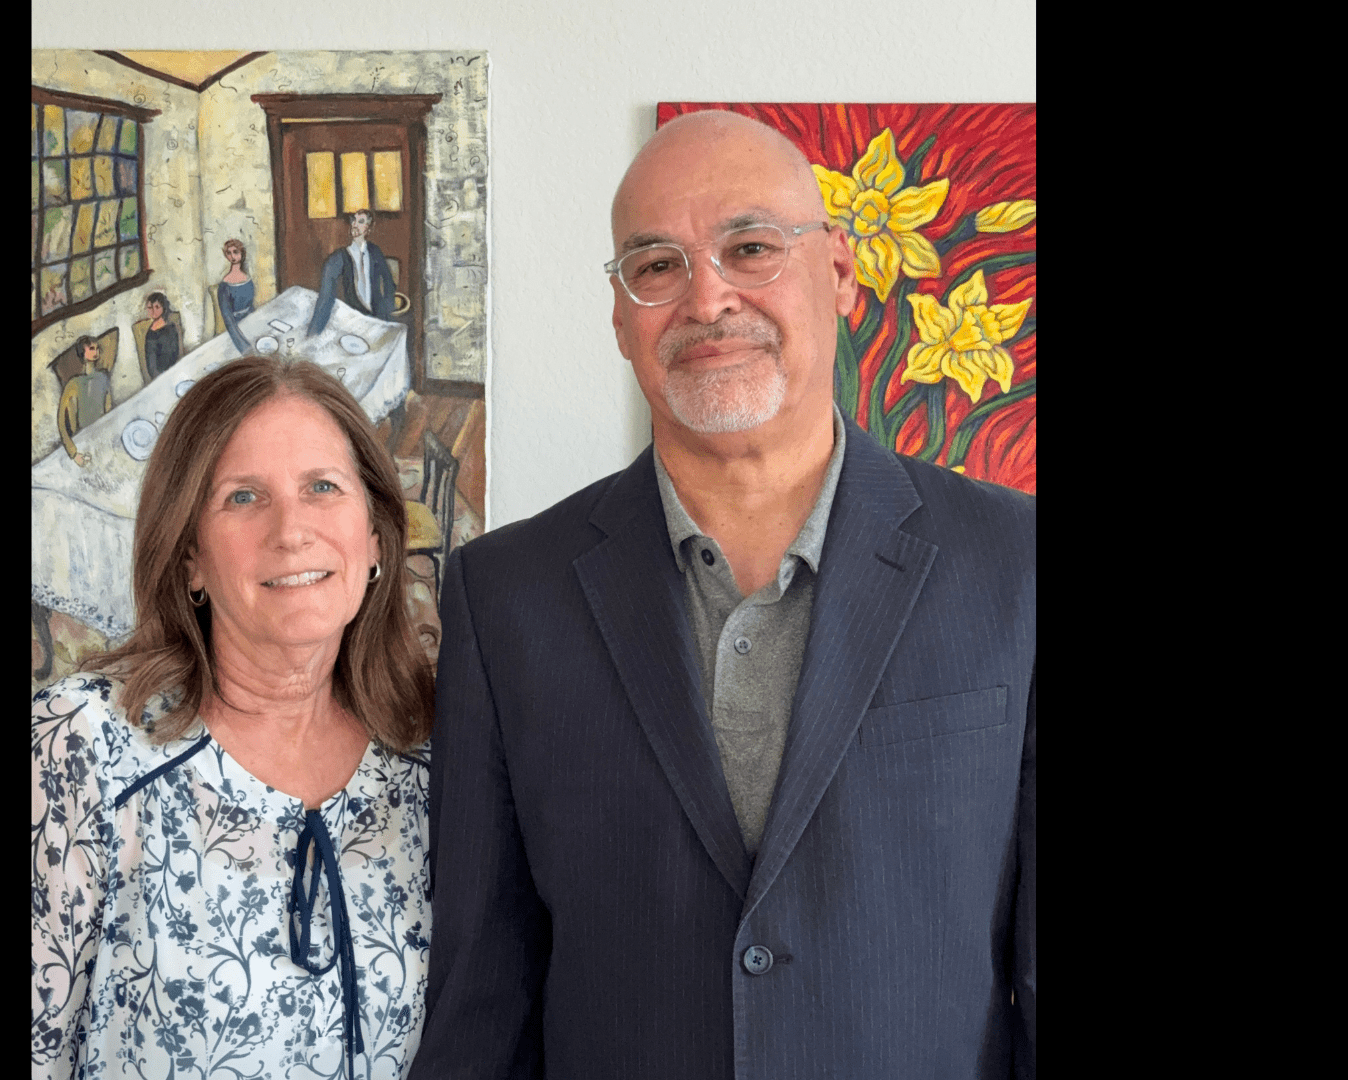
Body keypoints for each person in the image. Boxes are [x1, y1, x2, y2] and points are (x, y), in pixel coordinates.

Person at [412, 110, 1036, 1078]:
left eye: (750, 248)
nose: (707, 298)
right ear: (621, 318)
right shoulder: (506, 596)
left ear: (837, 276)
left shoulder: (1015, 563)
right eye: (656, 266)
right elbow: (485, 977)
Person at [32, 356, 437, 1080]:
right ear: (189, 557)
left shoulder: (439, 756)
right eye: (245, 497)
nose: (291, 531)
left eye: (322, 487)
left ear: (375, 535)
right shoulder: (80, 751)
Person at [307, 209, 396, 337]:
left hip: (377, 320)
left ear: (368, 229)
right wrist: (313, 333)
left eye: (360, 221)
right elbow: (326, 296)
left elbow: (388, 281)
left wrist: (387, 313)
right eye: (353, 220)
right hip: (355, 321)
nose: (354, 224)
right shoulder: (339, 257)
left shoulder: (375, 252)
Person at [56, 335, 111, 467]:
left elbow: (109, 410)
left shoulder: (103, 378)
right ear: (82, 352)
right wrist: (73, 453)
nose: (96, 352)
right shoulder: (73, 384)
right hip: (82, 442)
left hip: (103, 437)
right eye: (91, 348)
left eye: (97, 348)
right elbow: (61, 422)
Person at [218, 238, 259, 355]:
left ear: (242, 253)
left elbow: (251, 306)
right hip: (235, 329)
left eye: (235, 252)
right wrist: (245, 348)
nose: (232, 256)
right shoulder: (225, 285)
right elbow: (228, 320)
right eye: (228, 253)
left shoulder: (247, 278)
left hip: (250, 322)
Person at [143, 291, 181, 381]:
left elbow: (177, 353)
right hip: (160, 377)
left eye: (157, 307)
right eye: (149, 307)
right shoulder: (151, 335)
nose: (153, 311)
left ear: (163, 307)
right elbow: (152, 367)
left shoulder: (172, 327)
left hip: (176, 371)